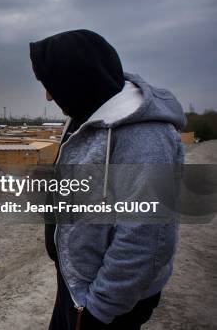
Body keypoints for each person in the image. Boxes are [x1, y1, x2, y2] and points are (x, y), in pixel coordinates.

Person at [29, 29, 184, 329]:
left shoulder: (146, 138)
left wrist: (99, 310)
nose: (48, 95)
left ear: (77, 79)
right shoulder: (84, 114)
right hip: (76, 285)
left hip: (107, 304)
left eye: (50, 85)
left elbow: (145, 241)